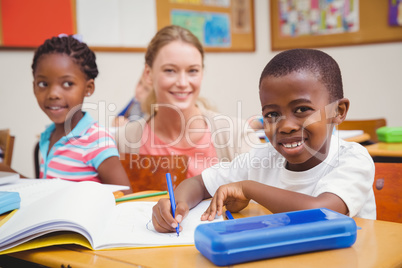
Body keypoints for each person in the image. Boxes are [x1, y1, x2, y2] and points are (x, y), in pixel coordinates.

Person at [151, 48, 376, 233]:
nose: (285, 126)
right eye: (272, 114)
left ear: (339, 110)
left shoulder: (352, 159)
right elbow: (198, 183)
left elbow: (321, 214)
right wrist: (177, 205)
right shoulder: (262, 158)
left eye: (302, 109)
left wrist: (248, 188)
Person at [116, 25, 260, 179]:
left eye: (192, 71)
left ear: (202, 73)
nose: (183, 83)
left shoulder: (236, 135)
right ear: (148, 74)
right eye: (170, 70)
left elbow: (265, 195)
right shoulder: (124, 141)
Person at [32, 35, 132, 193]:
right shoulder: (47, 135)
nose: (53, 94)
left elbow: (126, 198)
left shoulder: (96, 140)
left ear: (88, 88)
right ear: (34, 86)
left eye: (67, 84)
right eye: (43, 84)